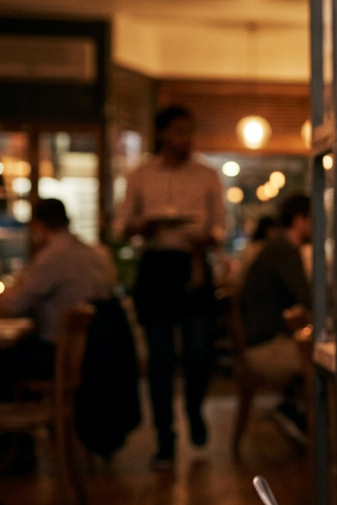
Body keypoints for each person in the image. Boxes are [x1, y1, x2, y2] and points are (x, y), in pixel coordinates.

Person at [115, 106, 224, 467]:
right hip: (156, 266)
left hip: (193, 263)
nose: (185, 139)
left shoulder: (207, 175)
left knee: (199, 352)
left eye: (189, 131)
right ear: (161, 134)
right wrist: (142, 226)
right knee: (160, 360)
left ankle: (194, 409)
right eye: (178, 131)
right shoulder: (140, 175)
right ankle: (165, 439)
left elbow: (221, 227)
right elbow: (120, 227)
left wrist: (208, 236)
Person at [0, 198, 115, 378]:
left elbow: (13, 306)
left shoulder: (52, 256)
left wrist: (6, 293)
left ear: (38, 225)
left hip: (56, 356)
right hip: (96, 357)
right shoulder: (94, 253)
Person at [240, 194, 311, 391]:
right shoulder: (284, 250)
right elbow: (308, 298)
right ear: (299, 220)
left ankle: (298, 412)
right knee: (335, 359)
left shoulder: (280, 246)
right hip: (266, 348)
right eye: (314, 219)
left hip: (265, 341)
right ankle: (327, 419)